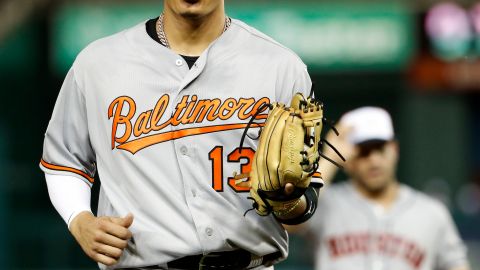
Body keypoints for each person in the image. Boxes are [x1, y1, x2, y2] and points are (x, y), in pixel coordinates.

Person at [39, 0, 323, 269]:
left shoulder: (281, 66)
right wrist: (79, 218)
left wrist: (288, 203)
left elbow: (306, 200)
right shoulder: (97, 63)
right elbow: (64, 161)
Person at [292, 106, 470, 270]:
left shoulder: (432, 213)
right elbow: (289, 222)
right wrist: (330, 158)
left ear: (395, 149)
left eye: (380, 149)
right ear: (348, 158)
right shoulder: (324, 203)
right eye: (364, 152)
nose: (374, 161)